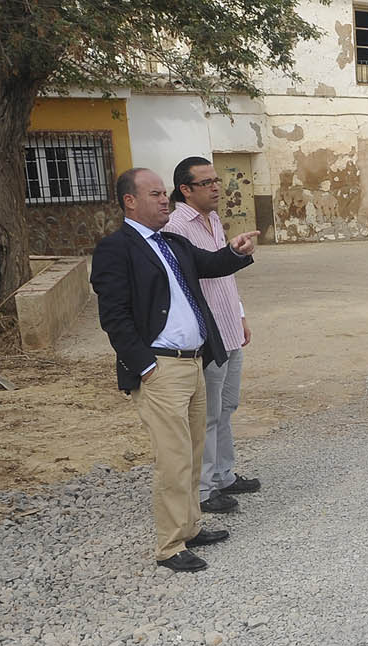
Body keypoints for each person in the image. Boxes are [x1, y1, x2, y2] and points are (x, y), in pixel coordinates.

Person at [93, 168, 260, 572]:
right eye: (154, 194)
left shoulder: (173, 242)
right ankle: (170, 546)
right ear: (129, 201)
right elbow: (114, 316)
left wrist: (236, 251)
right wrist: (145, 366)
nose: (165, 199)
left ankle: (190, 526)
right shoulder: (117, 248)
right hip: (160, 368)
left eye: (164, 194)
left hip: (193, 363)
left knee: (193, 450)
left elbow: (212, 263)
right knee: (172, 459)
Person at [163, 157, 261, 515]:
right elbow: (199, 274)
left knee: (228, 407)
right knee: (208, 414)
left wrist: (240, 315)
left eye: (216, 180)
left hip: (230, 327)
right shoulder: (176, 227)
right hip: (209, 335)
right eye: (206, 183)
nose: (216, 187)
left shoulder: (214, 219)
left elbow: (224, 278)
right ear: (185, 189)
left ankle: (224, 475)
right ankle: (204, 491)